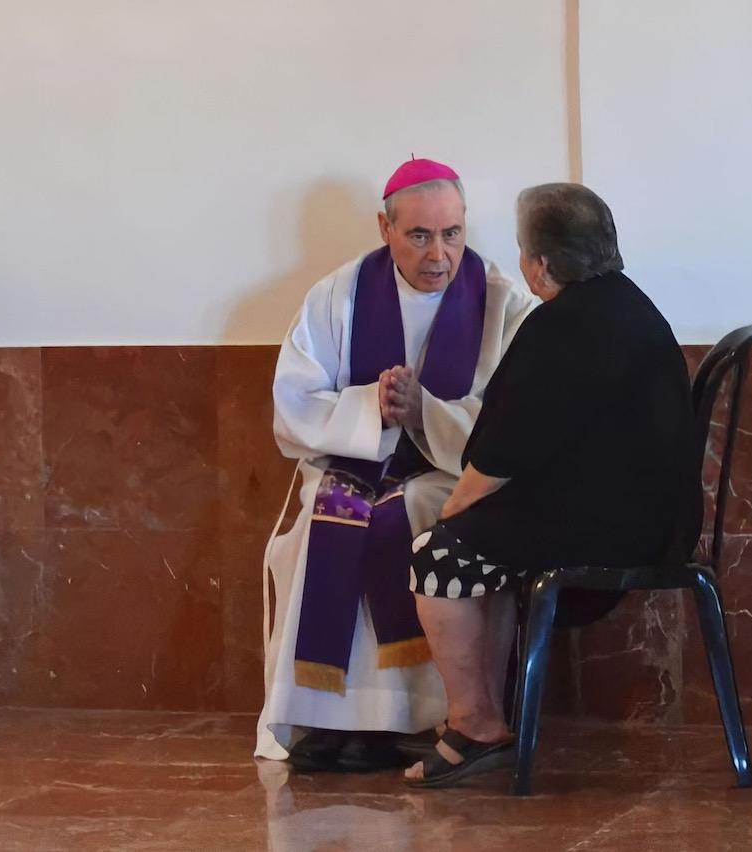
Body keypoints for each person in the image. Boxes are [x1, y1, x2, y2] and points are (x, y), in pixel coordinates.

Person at [403, 183, 700, 787]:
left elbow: (500, 451)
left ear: (540, 264)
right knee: (479, 549)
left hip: (614, 528)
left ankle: (476, 725)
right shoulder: (627, 305)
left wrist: (452, 519)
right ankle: (486, 719)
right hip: (655, 514)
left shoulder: (563, 326)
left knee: (438, 557)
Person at [255, 159, 537, 772]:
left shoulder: (500, 301)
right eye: (420, 235)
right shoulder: (338, 294)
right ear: (385, 227)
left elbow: (513, 420)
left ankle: (418, 716)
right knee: (327, 519)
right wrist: (372, 407)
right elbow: (295, 401)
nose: (440, 254)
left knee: (414, 510)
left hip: (449, 474)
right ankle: (328, 720)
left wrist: (425, 415)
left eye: (452, 234)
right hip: (357, 461)